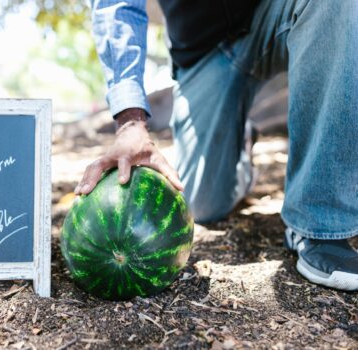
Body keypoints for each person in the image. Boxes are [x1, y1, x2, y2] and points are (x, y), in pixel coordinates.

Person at [75, 0, 358, 291]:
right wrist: (130, 121)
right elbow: (117, 6)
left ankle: (319, 226)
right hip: (202, 52)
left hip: (273, 13)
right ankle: (241, 150)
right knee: (200, 205)